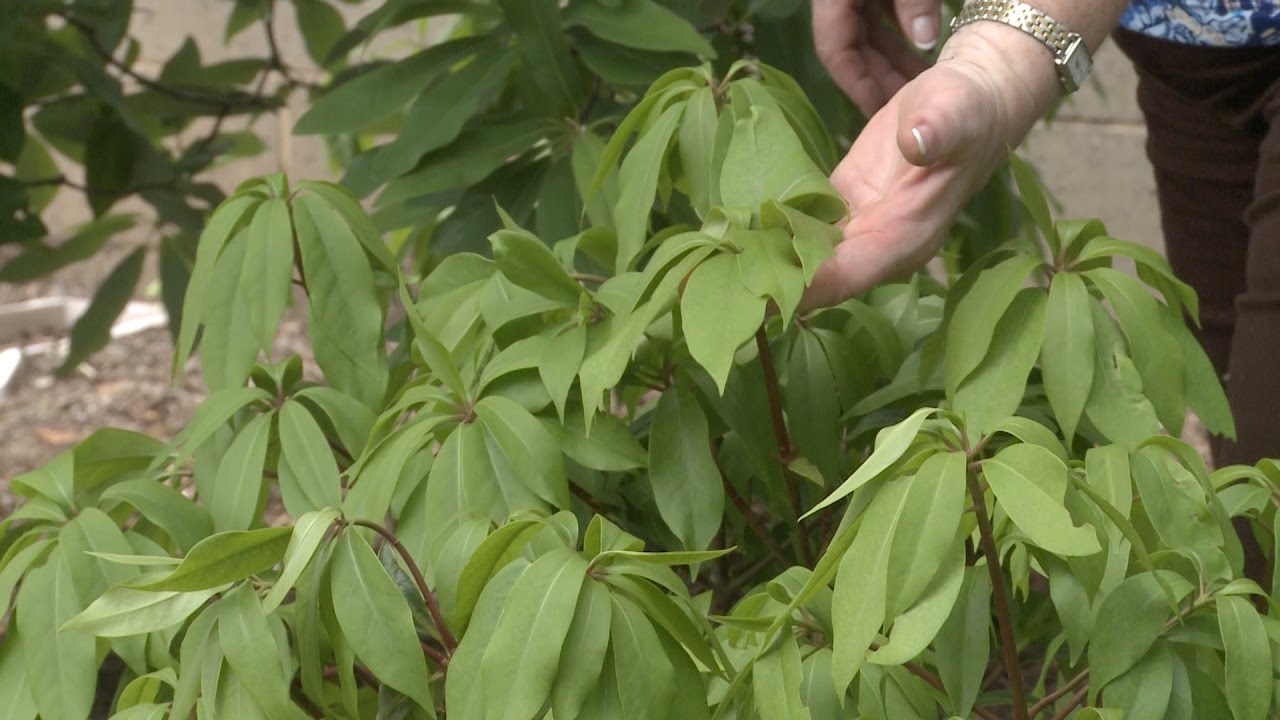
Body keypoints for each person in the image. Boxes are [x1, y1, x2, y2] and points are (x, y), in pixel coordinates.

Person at [806, 0, 1280, 466]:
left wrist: (999, 57)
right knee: (1234, 411)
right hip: (1192, 42)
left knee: (1263, 489)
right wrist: (992, 63)